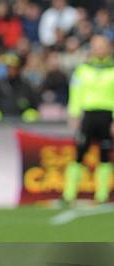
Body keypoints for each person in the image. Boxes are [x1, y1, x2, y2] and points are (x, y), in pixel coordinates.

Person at [64, 35, 114, 204]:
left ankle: (102, 194)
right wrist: (74, 114)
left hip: (107, 116)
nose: (99, 49)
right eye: (96, 46)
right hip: (88, 115)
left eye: (102, 46)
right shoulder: (83, 70)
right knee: (79, 153)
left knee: (105, 155)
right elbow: (76, 92)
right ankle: (69, 194)